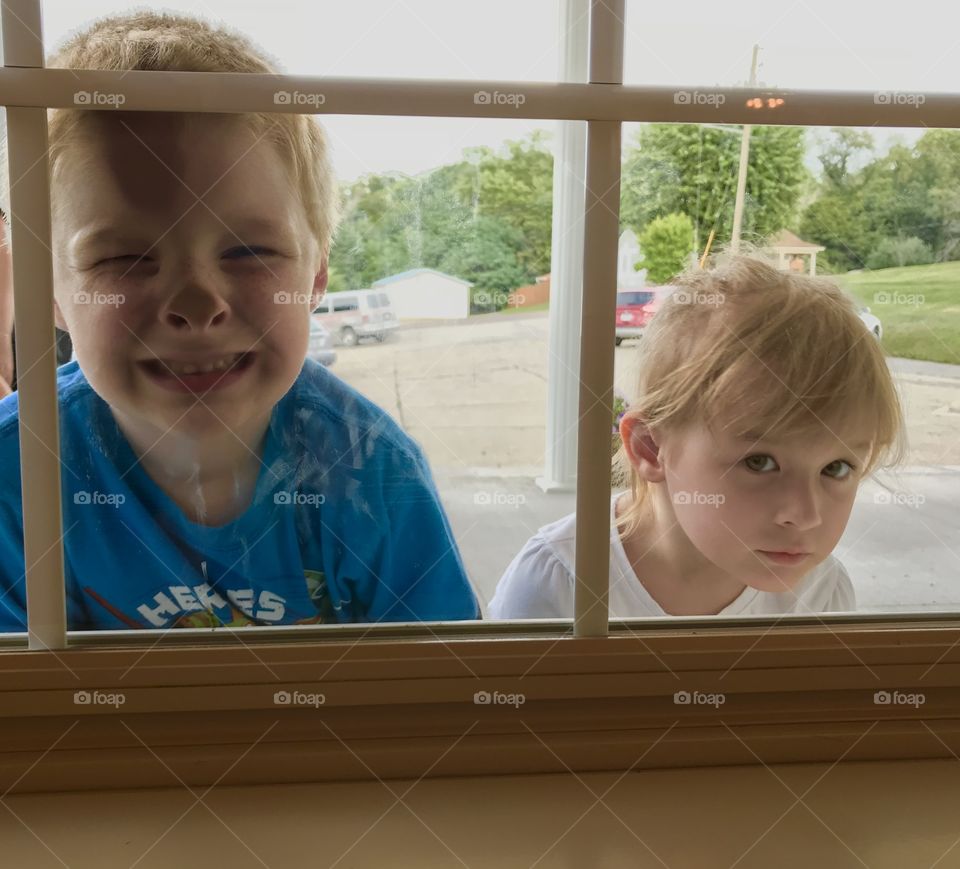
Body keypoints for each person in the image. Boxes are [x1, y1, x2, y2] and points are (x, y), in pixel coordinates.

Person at [0, 12, 479, 631]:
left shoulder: (375, 472)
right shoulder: (15, 479)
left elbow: (433, 695)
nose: (198, 306)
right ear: (50, 293)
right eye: (122, 258)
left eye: (250, 253)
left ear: (315, 278)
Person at [489, 254, 906, 619]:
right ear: (651, 448)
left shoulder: (821, 594)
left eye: (837, 467)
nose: (805, 514)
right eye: (759, 462)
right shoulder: (560, 582)